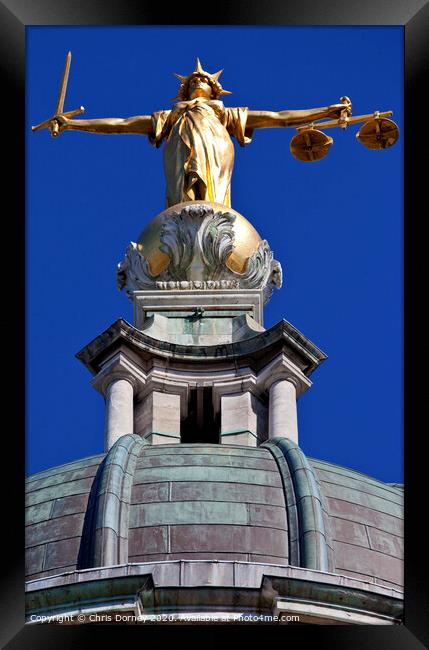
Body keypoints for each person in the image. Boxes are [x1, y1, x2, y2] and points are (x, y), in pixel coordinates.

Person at [52, 58, 351, 208]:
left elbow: (279, 117)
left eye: (203, 79)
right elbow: (122, 125)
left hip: (217, 149)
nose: (198, 79)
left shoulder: (223, 113)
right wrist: (74, 124)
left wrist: (325, 111)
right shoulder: (172, 115)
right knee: (184, 200)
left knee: (213, 202)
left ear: (215, 90)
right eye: (193, 79)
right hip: (179, 150)